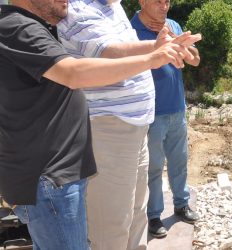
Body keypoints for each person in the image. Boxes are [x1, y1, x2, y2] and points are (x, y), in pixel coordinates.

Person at [0, 0, 186, 249]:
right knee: (104, 234)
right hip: (48, 176)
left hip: (61, 169)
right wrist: (152, 58)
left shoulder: (37, 24)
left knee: (126, 220)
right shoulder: (15, 26)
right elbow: (74, 73)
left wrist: (154, 48)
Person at [56, 0, 200, 249]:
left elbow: (126, 46)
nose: (165, 5)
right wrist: (153, 55)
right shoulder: (79, 10)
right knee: (112, 228)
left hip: (136, 126)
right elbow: (109, 52)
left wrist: (156, 46)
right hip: (110, 131)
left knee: (135, 216)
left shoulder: (113, 6)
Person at [131, 0, 200, 238]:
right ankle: (153, 216)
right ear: (142, 2)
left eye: (167, 1)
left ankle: (181, 204)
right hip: (151, 114)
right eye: (158, 1)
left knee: (179, 161)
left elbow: (195, 60)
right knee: (153, 168)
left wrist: (178, 44)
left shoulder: (173, 25)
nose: (164, 6)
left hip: (177, 109)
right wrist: (157, 45)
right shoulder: (130, 29)